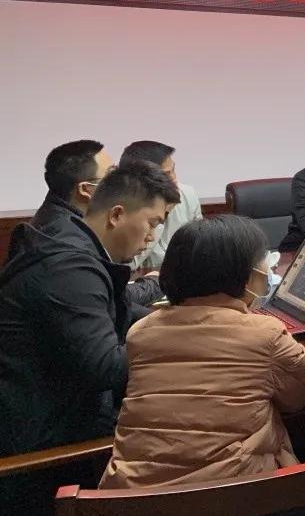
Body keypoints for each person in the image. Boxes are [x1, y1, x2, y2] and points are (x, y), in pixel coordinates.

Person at [100, 215, 305, 488]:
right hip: (240, 499)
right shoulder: (265, 334)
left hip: (134, 500)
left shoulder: (141, 332)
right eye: (263, 260)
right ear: (244, 275)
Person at [0, 161, 179, 457]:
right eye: (152, 223)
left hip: (58, 411)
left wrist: (183, 321)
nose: (152, 237)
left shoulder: (74, 240)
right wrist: (178, 339)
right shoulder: (69, 267)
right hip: (45, 447)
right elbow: (106, 367)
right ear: (117, 215)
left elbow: (118, 309)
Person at [7, 140, 164, 313]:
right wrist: (154, 284)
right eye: (112, 176)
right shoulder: (65, 242)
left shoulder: (55, 218)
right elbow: (108, 299)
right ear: (86, 190)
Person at [119, 141, 203, 270]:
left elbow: (200, 247)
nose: (175, 180)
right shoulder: (123, 209)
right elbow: (129, 266)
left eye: (173, 170)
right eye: (166, 175)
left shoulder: (187, 195)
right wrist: (160, 218)